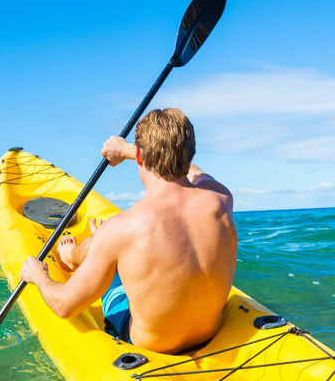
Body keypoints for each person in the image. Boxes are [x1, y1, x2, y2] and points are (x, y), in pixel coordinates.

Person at [19, 108, 237, 354]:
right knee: (116, 245)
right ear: (190, 152)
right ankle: (92, 247)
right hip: (209, 333)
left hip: (151, 345)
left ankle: (76, 254)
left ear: (140, 157)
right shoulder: (220, 197)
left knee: (112, 254)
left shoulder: (125, 226)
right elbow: (193, 171)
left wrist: (38, 275)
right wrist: (129, 150)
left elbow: (64, 306)